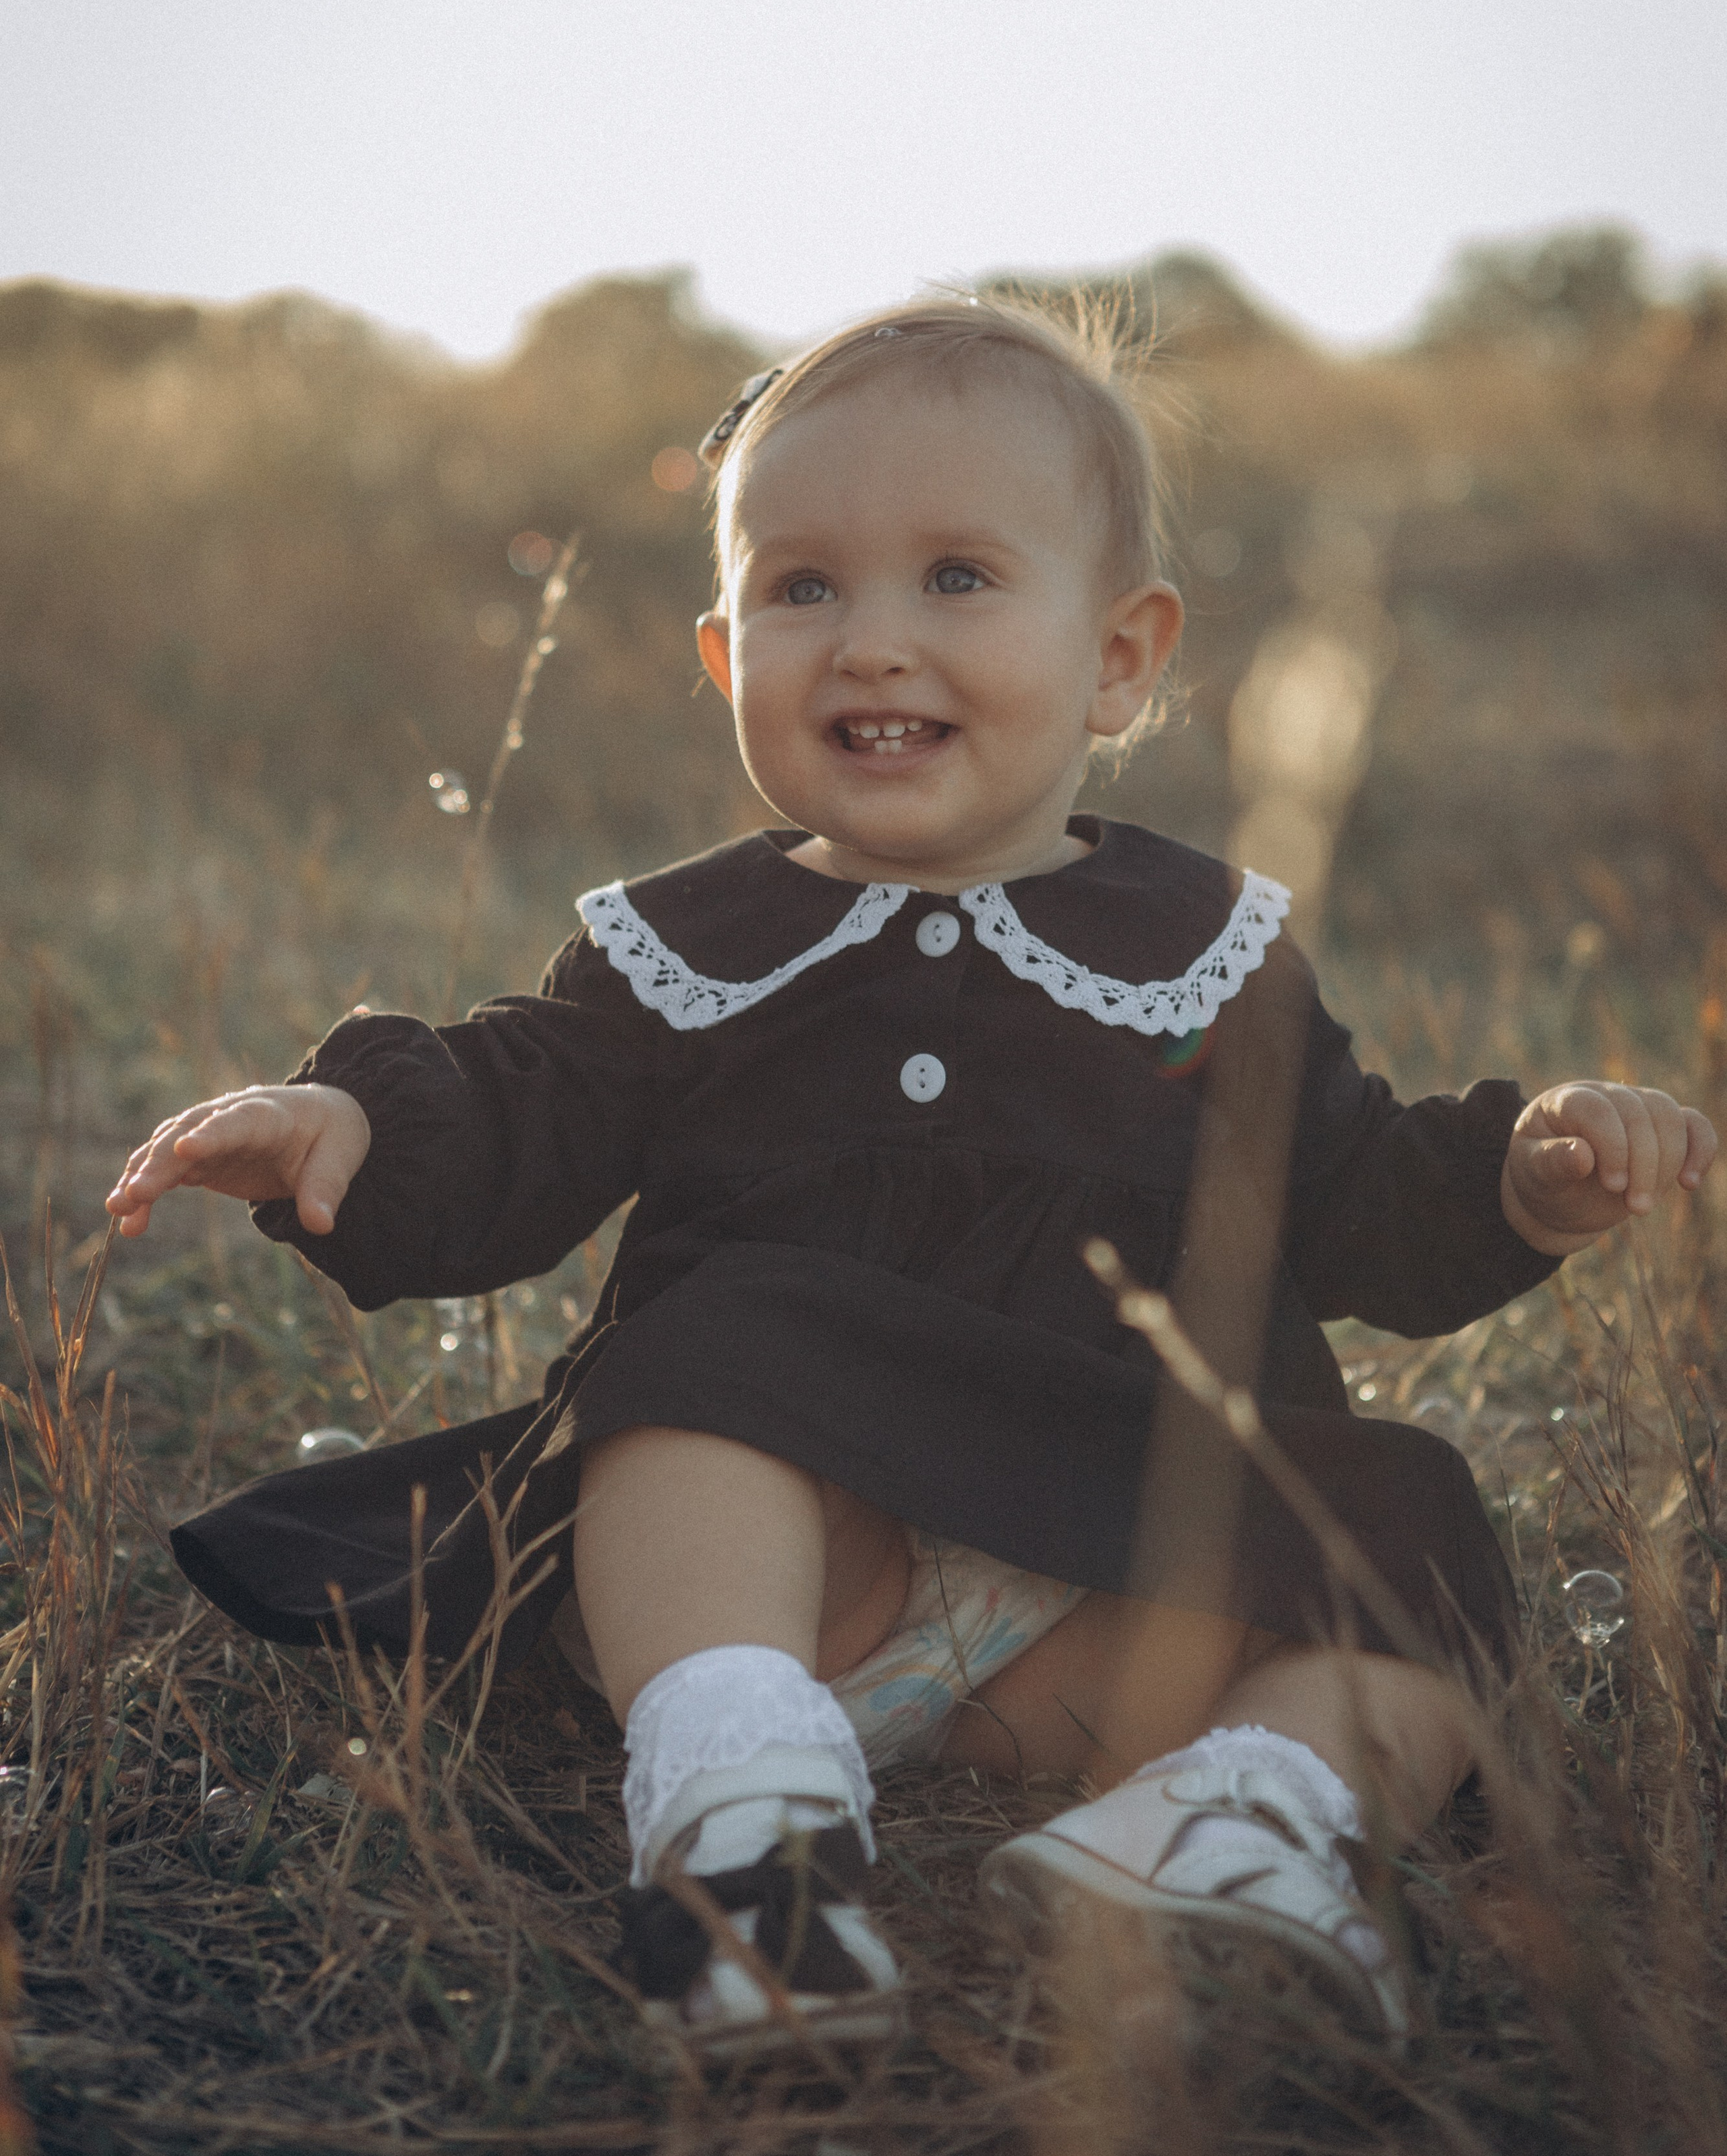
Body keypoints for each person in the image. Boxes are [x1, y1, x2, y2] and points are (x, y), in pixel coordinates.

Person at [109, 299, 1716, 2057]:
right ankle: (737, 1796)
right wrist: (356, 1128)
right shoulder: (689, 942)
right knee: (701, 1365)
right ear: (727, 660)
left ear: (1120, 658)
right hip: (800, 1587)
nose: (873, 642)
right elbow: (516, 1116)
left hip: (1105, 1609)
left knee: (1408, 1525)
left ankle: (1246, 1825)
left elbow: (1342, 1194)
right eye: (805, 589)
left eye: (956, 577)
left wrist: (1522, 1179)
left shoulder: (1203, 947)